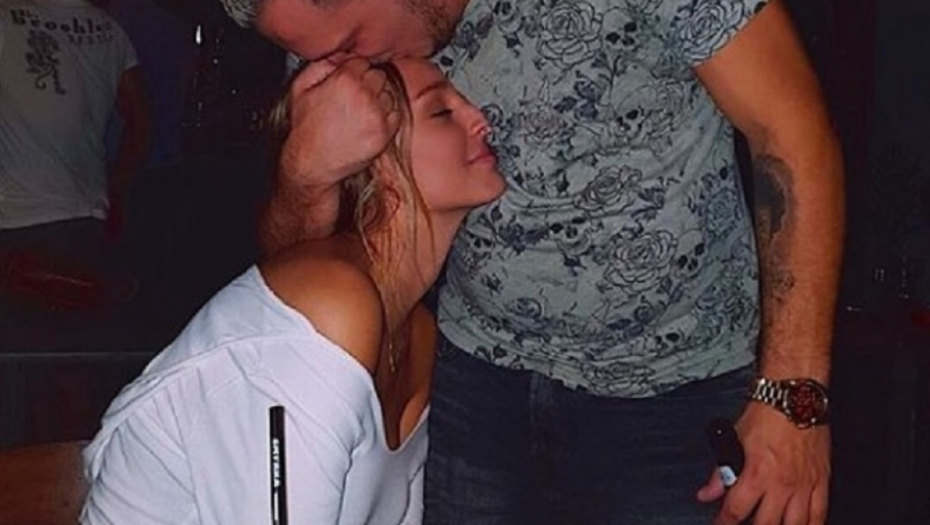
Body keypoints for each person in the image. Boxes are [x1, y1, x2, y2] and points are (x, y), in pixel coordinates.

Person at [224, 0, 845, 524]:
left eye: (351, 43)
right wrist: (302, 176)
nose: (347, 69)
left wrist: (793, 396)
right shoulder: (320, 32)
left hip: (672, 396)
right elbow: (296, 300)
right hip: (474, 383)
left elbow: (790, 130)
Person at [80, 57, 506, 525]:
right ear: (376, 162)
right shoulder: (331, 305)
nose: (481, 120)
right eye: (441, 112)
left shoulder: (417, 330)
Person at [0, 0, 151, 308]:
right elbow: (142, 119)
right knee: (65, 330)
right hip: (87, 215)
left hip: (15, 218)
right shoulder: (109, 29)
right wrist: (116, 189)